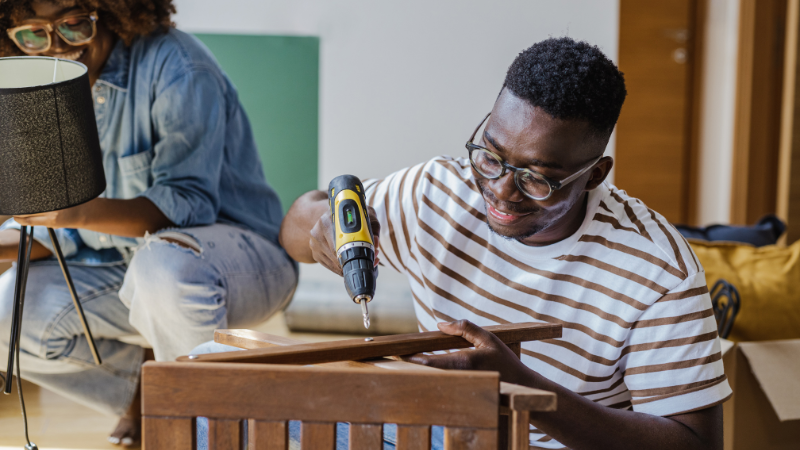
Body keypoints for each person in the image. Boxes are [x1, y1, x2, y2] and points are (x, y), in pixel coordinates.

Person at [280, 37, 730, 449]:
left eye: (536, 178)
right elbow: (296, 227)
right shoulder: (439, 192)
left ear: (594, 175)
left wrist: (522, 389)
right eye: (491, 156)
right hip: (437, 432)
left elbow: (693, 442)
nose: (501, 190)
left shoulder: (656, 269)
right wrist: (325, 227)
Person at [0, 0, 298, 447]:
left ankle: (205, 430)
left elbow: (186, 205)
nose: (56, 45)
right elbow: (65, 235)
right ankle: (158, 397)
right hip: (128, 265)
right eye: (32, 35)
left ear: (109, 11)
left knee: (161, 269)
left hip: (236, 261)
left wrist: (75, 209)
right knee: (9, 314)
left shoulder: (179, 65)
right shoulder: (46, 93)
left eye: (74, 24)